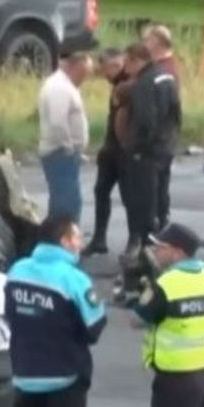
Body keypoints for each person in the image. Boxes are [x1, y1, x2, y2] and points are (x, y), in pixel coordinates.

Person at [6, 214, 108, 407]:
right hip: (65, 377)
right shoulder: (74, 279)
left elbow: (11, 315)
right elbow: (94, 329)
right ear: (64, 241)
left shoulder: (17, 271)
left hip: (25, 374)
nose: (80, 244)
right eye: (77, 238)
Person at [133, 223, 204, 407]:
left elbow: (138, 319)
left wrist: (144, 291)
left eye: (160, 246)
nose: (155, 251)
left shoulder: (166, 285)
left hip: (174, 375)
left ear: (177, 252)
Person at [124, 42, 181, 248]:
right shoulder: (167, 76)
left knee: (145, 201)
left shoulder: (144, 83)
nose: (125, 68)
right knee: (162, 197)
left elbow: (145, 120)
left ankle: (148, 245)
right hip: (166, 147)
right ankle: (163, 234)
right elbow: (176, 113)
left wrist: (137, 148)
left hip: (147, 153)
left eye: (127, 62)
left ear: (136, 60)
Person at [38, 53, 91, 221]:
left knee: (67, 199)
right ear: (73, 67)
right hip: (60, 152)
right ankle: (63, 239)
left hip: (64, 152)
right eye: (83, 73)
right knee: (66, 202)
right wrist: (69, 147)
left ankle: (65, 237)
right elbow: (58, 122)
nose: (84, 79)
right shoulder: (59, 88)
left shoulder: (65, 85)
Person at [85, 49, 128, 255]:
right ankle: (99, 238)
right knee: (101, 191)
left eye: (105, 70)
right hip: (112, 148)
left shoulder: (127, 86)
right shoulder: (119, 84)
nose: (105, 75)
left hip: (121, 150)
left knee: (129, 197)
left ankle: (131, 240)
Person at [143, 24, 181, 227]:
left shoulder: (163, 71)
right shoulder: (168, 67)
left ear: (156, 43)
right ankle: (160, 220)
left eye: (146, 41)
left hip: (159, 139)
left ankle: (159, 223)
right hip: (166, 137)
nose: (144, 45)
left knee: (156, 185)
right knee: (160, 184)